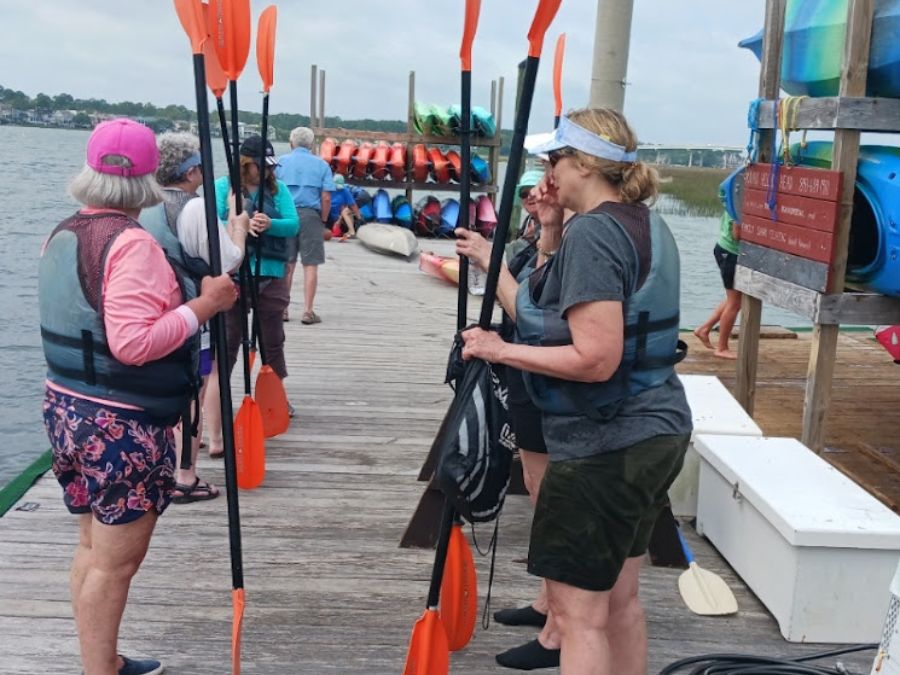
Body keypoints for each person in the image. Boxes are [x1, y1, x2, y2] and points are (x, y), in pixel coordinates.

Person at [458, 109, 693, 675]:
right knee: (619, 602)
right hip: (657, 428)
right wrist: (551, 228)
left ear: (585, 163)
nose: (549, 172)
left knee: (579, 616)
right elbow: (549, 310)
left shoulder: (594, 233)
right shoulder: (641, 221)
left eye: (555, 159)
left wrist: (498, 350)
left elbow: (595, 358)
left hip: (603, 443)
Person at [38, 118, 238, 675]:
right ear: (149, 178)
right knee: (115, 564)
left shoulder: (63, 232)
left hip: (66, 410)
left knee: (92, 548)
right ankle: (100, 670)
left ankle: (102, 660)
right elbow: (133, 344)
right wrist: (205, 305)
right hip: (118, 426)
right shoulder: (131, 244)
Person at [456, 169, 554, 653]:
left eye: (543, 187)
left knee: (549, 495)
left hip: (543, 375)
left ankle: (558, 625)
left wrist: (488, 261)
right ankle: (548, 600)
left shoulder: (571, 241)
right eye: (527, 192)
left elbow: (534, 316)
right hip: (522, 372)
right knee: (537, 489)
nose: (533, 196)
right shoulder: (536, 238)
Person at [147, 132, 250, 502]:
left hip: (154, 311)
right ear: (190, 172)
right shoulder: (193, 209)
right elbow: (228, 261)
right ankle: (185, 475)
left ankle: (157, 464)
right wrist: (238, 228)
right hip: (193, 315)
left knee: (162, 388)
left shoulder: (144, 204)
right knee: (194, 390)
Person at [204, 134, 300, 448]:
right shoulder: (223, 188)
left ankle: (277, 397)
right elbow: (213, 221)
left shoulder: (278, 189)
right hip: (234, 276)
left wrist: (270, 223)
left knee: (273, 340)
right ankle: (216, 406)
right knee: (228, 342)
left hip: (270, 275)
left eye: (270, 166)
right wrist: (240, 224)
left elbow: (293, 223)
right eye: (262, 166)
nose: (268, 171)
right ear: (246, 164)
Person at [276, 126, 335, 325]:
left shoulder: (281, 163)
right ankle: (308, 311)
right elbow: (326, 197)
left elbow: (272, 191)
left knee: (287, 264)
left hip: (286, 214)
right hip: (311, 215)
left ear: (291, 143)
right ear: (311, 145)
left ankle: (283, 309)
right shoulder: (322, 165)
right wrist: (324, 221)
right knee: (310, 265)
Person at [693, 210, 742, 359]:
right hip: (731, 253)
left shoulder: (734, 197)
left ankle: (704, 329)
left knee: (734, 299)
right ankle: (721, 348)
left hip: (725, 249)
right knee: (735, 303)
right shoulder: (740, 202)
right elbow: (737, 234)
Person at [328, 173, 362, 238]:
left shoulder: (345, 191)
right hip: (329, 217)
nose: (338, 189)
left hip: (339, 218)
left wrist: (359, 218)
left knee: (346, 211)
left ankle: (351, 232)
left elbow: (352, 205)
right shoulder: (328, 190)